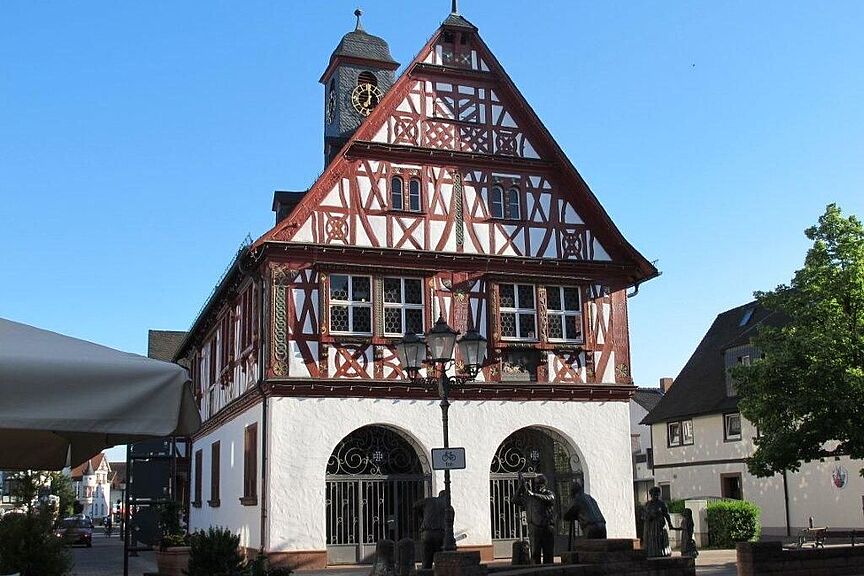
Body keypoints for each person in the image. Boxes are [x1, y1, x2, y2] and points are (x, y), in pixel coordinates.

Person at [514, 473, 556, 564]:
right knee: (535, 555)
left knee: (548, 554)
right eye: (536, 484)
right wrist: (520, 488)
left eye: (540, 484)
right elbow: (515, 500)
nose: (537, 486)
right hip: (534, 529)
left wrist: (533, 494)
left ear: (544, 485)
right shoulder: (529, 497)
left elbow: (550, 498)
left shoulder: (548, 493)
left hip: (547, 528)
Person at [413, 490, 453, 569]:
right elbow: (450, 526)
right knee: (440, 561)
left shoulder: (429, 500)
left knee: (426, 562)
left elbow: (415, 506)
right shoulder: (449, 507)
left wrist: (422, 517)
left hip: (427, 533)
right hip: (441, 534)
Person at [642, 486, 672, 558]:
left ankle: (662, 552)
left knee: (661, 539)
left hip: (660, 525)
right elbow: (644, 515)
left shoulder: (661, 504)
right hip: (651, 526)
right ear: (651, 495)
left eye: (657, 494)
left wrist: (670, 524)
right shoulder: (647, 504)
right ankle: (652, 553)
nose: (655, 496)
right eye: (653, 494)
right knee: (652, 539)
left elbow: (666, 514)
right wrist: (649, 516)